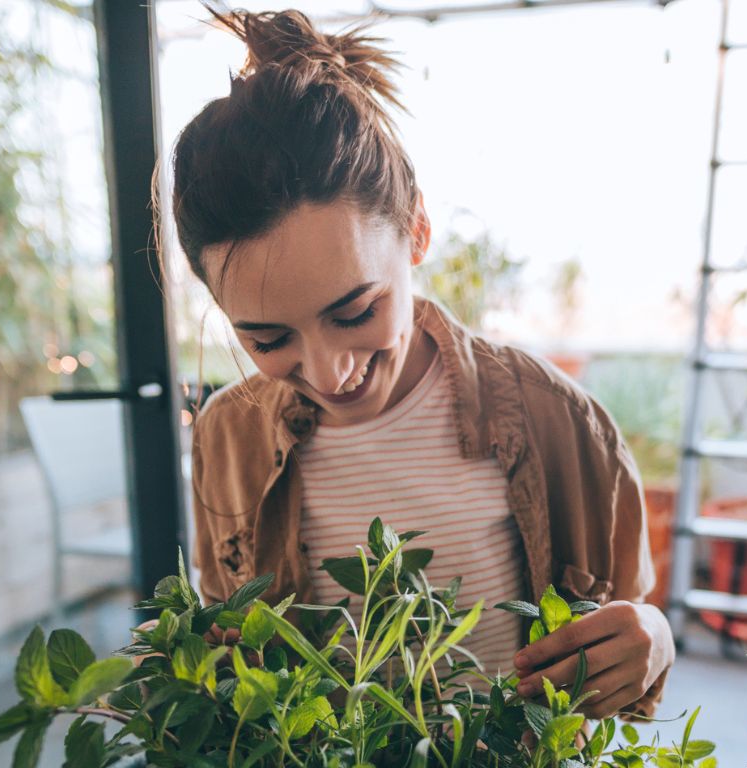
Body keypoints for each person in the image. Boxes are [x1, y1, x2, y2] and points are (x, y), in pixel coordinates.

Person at [169, 7, 673, 720]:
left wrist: (652, 638)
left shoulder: (559, 419)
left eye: (354, 314)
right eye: (267, 339)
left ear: (417, 232)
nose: (329, 373)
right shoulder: (226, 436)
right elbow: (227, 642)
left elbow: (633, 614)